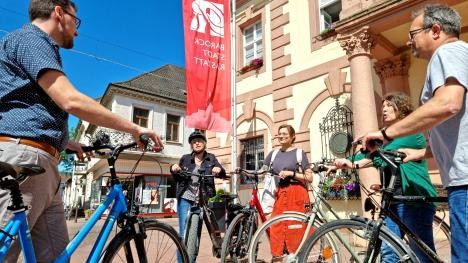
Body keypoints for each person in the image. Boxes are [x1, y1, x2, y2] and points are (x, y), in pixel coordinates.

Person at [0, 1, 163, 262]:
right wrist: (134, 128)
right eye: (75, 21)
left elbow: (22, 106)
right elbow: (70, 100)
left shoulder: (28, 44)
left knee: (56, 256)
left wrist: (65, 142)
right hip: (26, 157)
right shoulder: (32, 40)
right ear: (58, 12)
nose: (76, 31)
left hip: (41, 161)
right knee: (5, 252)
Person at [359, 5, 468, 262]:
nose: (409, 41)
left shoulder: (447, 52)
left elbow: (447, 104)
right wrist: (421, 152)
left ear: (436, 30)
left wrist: (384, 134)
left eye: (413, 33)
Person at [329, 93, 437, 262]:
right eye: (383, 107)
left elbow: (382, 156)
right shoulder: (386, 141)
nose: (384, 110)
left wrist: (371, 141)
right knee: (389, 253)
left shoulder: (410, 133)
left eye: (389, 106)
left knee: (421, 255)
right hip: (393, 202)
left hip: (413, 201)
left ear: (401, 108)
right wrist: (343, 163)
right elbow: (369, 158)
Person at [170, 130, 226, 261]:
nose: (197, 143)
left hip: (202, 200)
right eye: (194, 142)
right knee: (184, 233)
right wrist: (174, 167)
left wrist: (219, 170)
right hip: (185, 197)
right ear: (191, 145)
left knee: (196, 234)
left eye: (200, 141)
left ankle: (192, 259)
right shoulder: (185, 158)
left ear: (205, 143)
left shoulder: (211, 158)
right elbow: (177, 175)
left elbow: (221, 172)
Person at [262, 124, 312, 261]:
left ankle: (298, 256)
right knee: (276, 226)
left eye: (285, 133)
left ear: (292, 136)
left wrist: (292, 173)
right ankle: (278, 256)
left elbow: (309, 177)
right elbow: (263, 169)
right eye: (280, 134)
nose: (282, 136)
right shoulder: (273, 154)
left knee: (295, 227)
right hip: (280, 193)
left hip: (297, 193)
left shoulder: (299, 153)